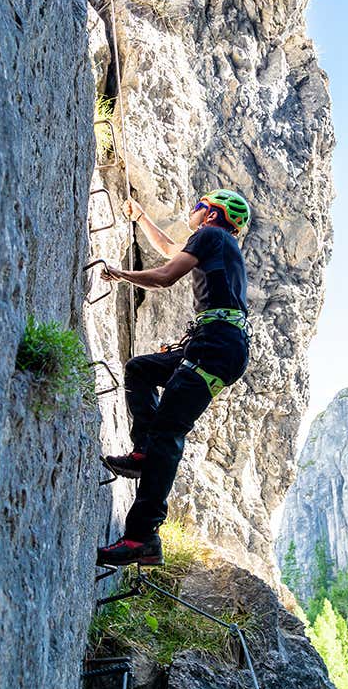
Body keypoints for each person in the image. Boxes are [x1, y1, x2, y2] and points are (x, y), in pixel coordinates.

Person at [96, 189, 252, 565]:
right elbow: (170, 252)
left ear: (212, 214)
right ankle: (142, 452)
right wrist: (141, 218)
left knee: (168, 434)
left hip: (215, 345)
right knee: (141, 369)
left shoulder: (212, 235)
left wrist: (119, 275)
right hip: (216, 343)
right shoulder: (216, 242)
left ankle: (141, 536)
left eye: (200, 207)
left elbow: (166, 276)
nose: (194, 211)